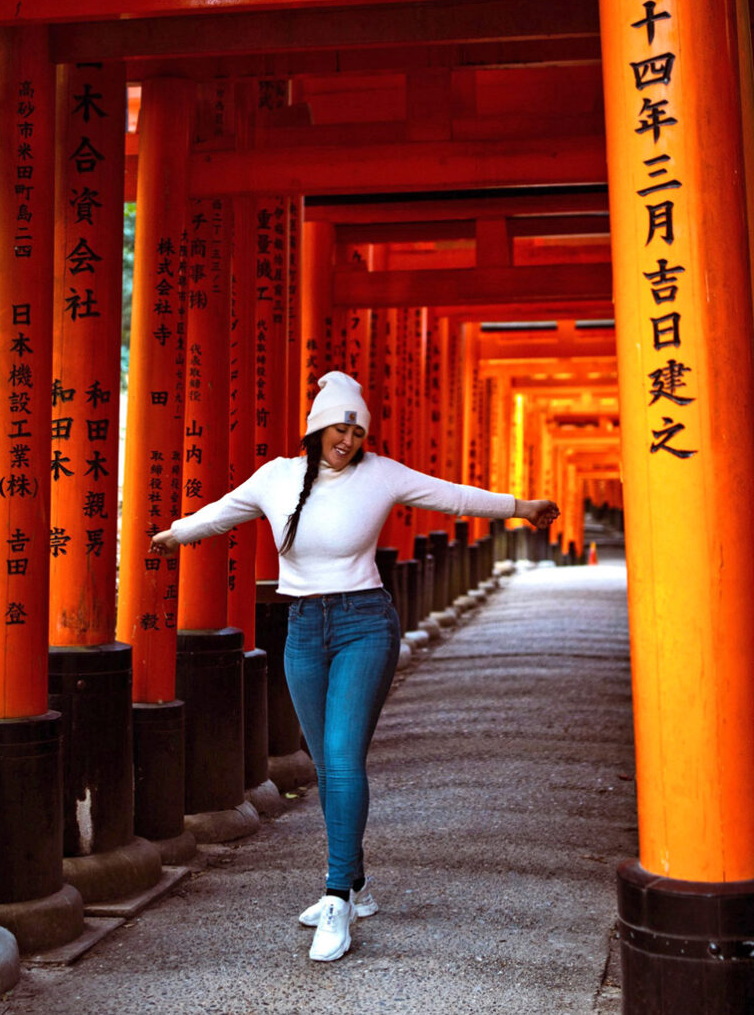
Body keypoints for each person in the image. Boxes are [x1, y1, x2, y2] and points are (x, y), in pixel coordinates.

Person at [150, 370, 560, 962]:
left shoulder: (381, 474)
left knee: (342, 758)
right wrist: (177, 533)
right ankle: (359, 883)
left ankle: (337, 896)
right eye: (340, 426)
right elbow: (226, 510)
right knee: (328, 765)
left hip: (365, 625)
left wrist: (521, 507)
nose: (348, 438)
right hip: (302, 631)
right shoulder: (278, 477)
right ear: (318, 427)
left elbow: (452, 494)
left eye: (357, 430)